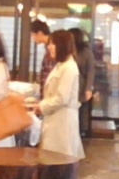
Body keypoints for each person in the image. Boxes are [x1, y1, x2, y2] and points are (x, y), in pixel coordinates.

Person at [34, 29, 85, 160]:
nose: (49, 47)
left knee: (60, 159)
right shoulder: (61, 65)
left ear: (62, 45)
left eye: (53, 44)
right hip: (55, 119)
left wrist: (41, 107)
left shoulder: (69, 68)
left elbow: (62, 98)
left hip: (62, 122)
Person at [70, 26, 94, 139]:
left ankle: (80, 132)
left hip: (81, 84)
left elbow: (90, 70)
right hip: (70, 84)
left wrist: (88, 88)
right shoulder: (69, 50)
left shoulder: (86, 52)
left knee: (81, 109)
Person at [30, 19, 54, 91]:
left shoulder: (52, 49)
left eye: (33, 34)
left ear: (40, 33)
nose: (32, 38)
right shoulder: (47, 47)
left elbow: (50, 72)